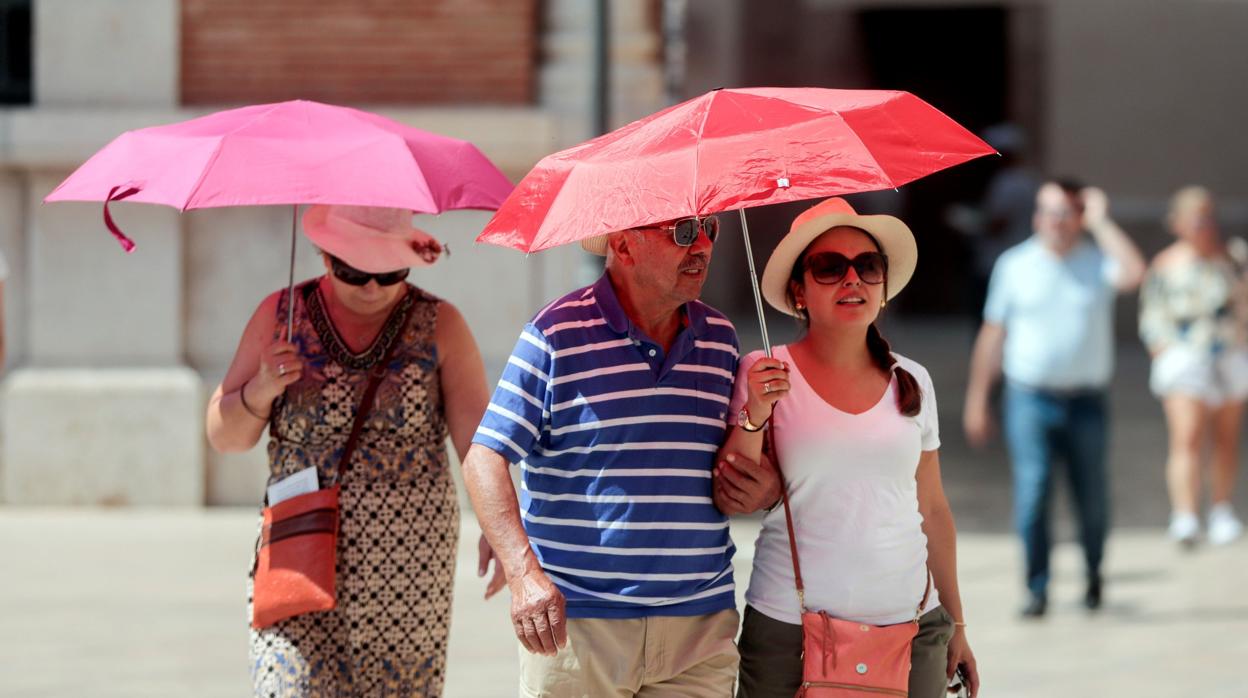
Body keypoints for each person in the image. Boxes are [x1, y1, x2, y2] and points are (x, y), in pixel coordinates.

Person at [463, 216, 772, 697]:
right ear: (624, 246)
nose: (704, 246)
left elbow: (735, 474)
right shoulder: (555, 333)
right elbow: (484, 456)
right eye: (683, 233)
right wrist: (522, 572)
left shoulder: (720, 338)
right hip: (578, 626)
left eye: (709, 228)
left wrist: (765, 481)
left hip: (699, 624)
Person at [206, 205, 499, 696]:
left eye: (389, 274)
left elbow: (477, 441)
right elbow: (224, 435)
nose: (370, 287)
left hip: (409, 563)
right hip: (298, 549)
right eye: (354, 270)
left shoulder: (440, 322)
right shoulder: (280, 316)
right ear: (325, 256)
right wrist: (261, 388)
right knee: (287, 685)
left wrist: (500, 528)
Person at [721, 197, 979, 698]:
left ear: (883, 286)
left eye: (868, 266)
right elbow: (731, 487)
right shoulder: (765, 372)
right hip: (790, 627)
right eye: (829, 267)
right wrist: (754, 413)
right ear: (798, 291)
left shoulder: (913, 379)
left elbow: (933, 508)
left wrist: (958, 624)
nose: (852, 280)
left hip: (913, 626)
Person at [963, 181, 1146, 617]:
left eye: (1066, 212)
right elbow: (993, 333)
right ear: (1036, 217)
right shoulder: (1015, 264)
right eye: (1048, 211)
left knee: (1091, 495)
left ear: (1079, 216)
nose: (1056, 221)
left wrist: (1102, 222)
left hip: (1087, 400)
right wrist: (977, 398)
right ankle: (1037, 588)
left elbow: (1136, 273)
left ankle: (1094, 577)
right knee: (1034, 490)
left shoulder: (1098, 259)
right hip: (1029, 398)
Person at [1139, 186, 1248, 546]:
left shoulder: (1233, 257)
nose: (1205, 225)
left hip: (1229, 353)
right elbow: (1151, 314)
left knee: (1226, 440)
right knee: (1187, 436)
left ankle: (1221, 509)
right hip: (1185, 357)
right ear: (1179, 223)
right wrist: (1164, 350)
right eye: (1197, 218)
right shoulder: (1166, 264)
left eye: (1208, 217)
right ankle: (1185, 514)